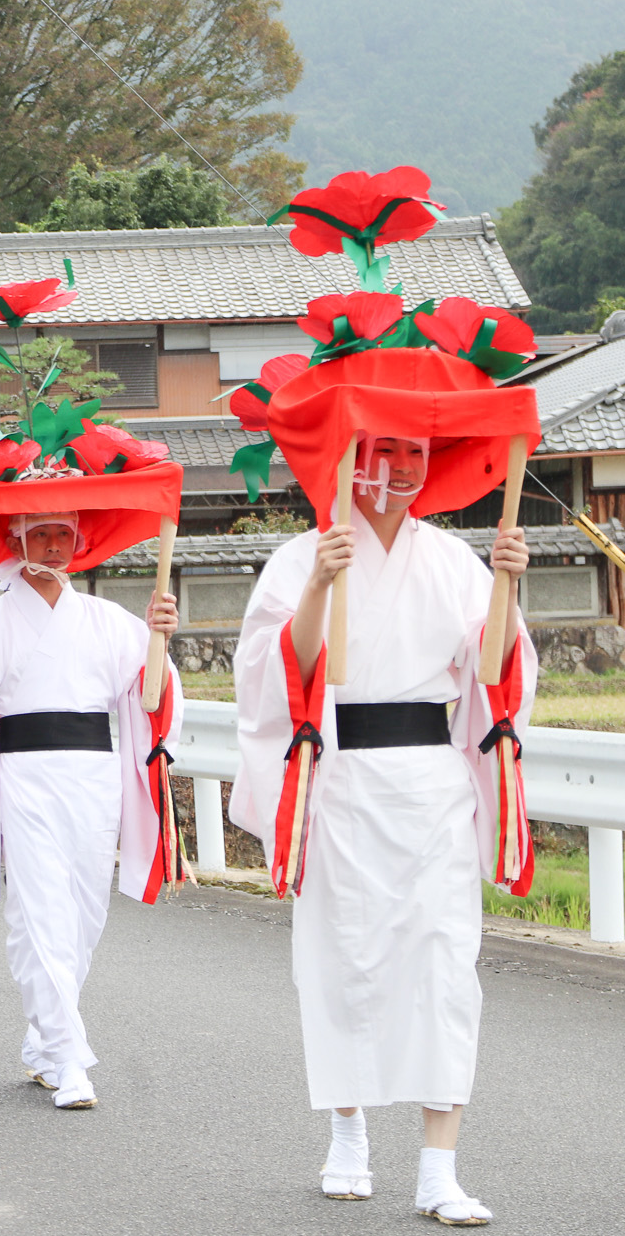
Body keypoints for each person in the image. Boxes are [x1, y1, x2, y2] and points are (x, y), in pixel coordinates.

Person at [232, 438, 530, 1221]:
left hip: (432, 784)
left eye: (413, 454)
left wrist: (506, 584)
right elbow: (277, 674)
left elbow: (493, 674)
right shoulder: (305, 553)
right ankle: (348, 1131)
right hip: (341, 780)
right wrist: (321, 583)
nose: (398, 468)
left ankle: (440, 1165)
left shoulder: (459, 559)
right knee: (343, 959)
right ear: (353, 455)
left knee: (443, 964)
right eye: (383, 450)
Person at [0, 512, 181, 1110]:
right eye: (39, 533)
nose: (51, 545)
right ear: (16, 538)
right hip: (21, 777)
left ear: (78, 540)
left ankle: (45, 1041)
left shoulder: (107, 620)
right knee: (38, 910)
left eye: (63, 534)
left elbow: (150, 697)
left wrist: (159, 639)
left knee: (81, 916)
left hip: (94, 778)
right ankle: (71, 1061)